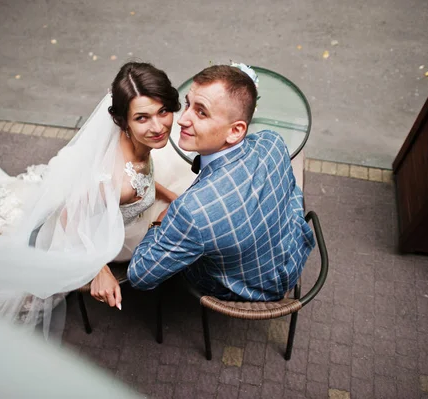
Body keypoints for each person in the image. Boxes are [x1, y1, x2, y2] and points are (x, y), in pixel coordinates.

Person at [0, 62, 181, 330]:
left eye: (163, 111)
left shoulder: (138, 143)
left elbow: (142, 177)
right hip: (108, 237)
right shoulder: (116, 182)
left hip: (121, 212)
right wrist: (99, 269)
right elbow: (70, 216)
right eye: (142, 118)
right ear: (124, 121)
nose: (159, 126)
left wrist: (170, 194)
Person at [127, 64, 316, 301]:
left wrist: (158, 223)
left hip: (251, 288)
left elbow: (140, 276)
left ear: (236, 131)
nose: (182, 120)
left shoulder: (191, 213)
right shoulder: (273, 143)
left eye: (201, 112)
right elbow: (289, 192)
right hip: (292, 253)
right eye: (187, 104)